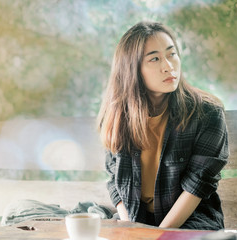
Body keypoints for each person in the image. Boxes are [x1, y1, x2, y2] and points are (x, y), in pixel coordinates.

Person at [97, 21, 229, 230]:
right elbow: (115, 181)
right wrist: (131, 228)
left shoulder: (207, 114)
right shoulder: (117, 116)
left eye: (172, 54)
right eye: (155, 59)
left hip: (191, 221)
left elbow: (198, 185)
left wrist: (157, 236)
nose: (168, 66)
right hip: (135, 219)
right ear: (133, 69)